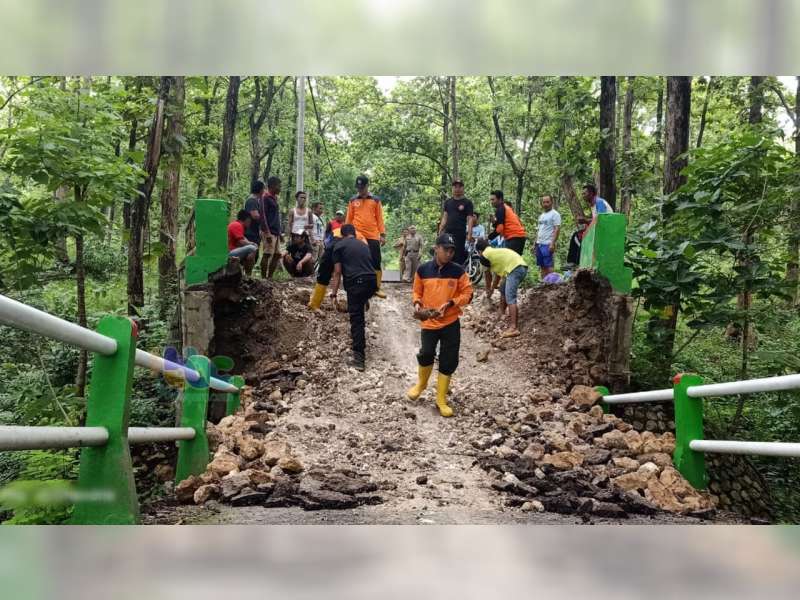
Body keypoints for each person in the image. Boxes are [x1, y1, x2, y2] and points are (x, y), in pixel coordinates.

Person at [406, 233, 473, 417]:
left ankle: (441, 399)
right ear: (436, 249)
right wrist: (417, 304)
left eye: (452, 250)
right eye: (446, 249)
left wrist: (452, 303)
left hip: (450, 321)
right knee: (426, 352)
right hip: (429, 321)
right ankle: (421, 384)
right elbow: (417, 291)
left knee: (448, 358)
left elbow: (468, 293)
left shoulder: (458, 271)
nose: (449, 253)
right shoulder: (423, 270)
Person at [329, 224, 378, 370]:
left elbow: (337, 273)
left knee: (356, 319)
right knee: (360, 302)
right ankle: (365, 299)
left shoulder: (339, 246)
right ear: (354, 234)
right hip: (371, 281)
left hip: (356, 283)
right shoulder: (363, 244)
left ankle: (359, 358)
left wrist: (333, 293)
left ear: (342, 235)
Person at [477, 238, 529, 338]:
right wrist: (492, 289)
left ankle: (513, 328)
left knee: (510, 297)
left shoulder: (484, 256)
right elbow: (497, 276)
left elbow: (488, 277)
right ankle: (501, 312)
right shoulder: (494, 252)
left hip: (515, 269)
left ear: (479, 251)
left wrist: (488, 290)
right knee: (502, 288)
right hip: (520, 267)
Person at [345, 175, 387, 298]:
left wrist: (382, 234)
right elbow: (349, 218)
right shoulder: (353, 200)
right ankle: (358, 284)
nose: (360, 190)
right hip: (357, 234)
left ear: (367, 186)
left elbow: (379, 218)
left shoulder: (375, 200)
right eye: (358, 187)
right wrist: (346, 234)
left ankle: (376, 287)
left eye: (362, 187)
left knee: (376, 260)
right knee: (358, 260)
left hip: (373, 235)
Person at [438, 179, 474, 265]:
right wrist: (441, 229)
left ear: (463, 188)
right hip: (448, 233)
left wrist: (469, 234)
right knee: (446, 254)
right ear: (452, 188)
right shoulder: (448, 202)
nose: (457, 189)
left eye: (459, 187)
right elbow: (445, 217)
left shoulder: (467, 203)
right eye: (455, 187)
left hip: (460, 233)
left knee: (458, 256)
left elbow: (470, 219)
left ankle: (457, 275)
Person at [259, 176, 283, 279]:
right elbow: (262, 215)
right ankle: (264, 278)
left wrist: (280, 232)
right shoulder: (265, 197)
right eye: (279, 185)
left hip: (275, 231)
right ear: (272, 186)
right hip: (268, 231)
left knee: (277, 255)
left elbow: (276, 217)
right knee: (267, 254)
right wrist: (267, 232)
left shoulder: (275, 198)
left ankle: (270, 277)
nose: (280, 188)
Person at [489, 190, 527, 255]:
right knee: (514, 261)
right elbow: (502, 225)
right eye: (490, 200)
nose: (491, 202)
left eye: (493, 199)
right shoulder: (505, 208)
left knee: (509, 261)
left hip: (514, 237)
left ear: (500, 199)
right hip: (519, 237)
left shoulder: (501, 208)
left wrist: (489, 237)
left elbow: (500, 228)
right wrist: (494, 223)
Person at [534, 195, 561, 278]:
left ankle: (551, 284)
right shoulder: (541, 216)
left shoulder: (555, 214)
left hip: (548, 243)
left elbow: (557, 229)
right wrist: (535, 243)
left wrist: (552, 243)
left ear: (551, 202)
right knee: (542, 266)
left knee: (549, 265)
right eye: (544, 202)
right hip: (539, 243)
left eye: (547, 202)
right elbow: (539, 230)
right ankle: (544, 284)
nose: (545, 204)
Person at [227, 210, 259, 275]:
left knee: (252, 247)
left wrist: (251, 243)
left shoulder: (237, 225)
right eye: (250, 221)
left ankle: (245, 274)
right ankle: (248, 274)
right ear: (247, 219)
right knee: (252, 248)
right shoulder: (237, 225)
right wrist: (253, 244)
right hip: (229, 253)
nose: (250, 223)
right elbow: (241, 242)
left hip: (232, 251)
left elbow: (244, 240)